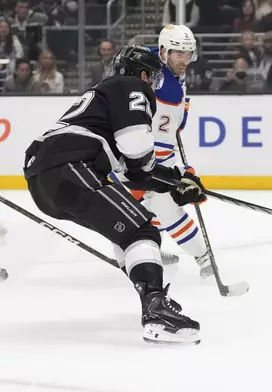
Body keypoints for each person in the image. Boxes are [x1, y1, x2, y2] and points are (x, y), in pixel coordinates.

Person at [23, 45, 206, 345]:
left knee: (129, 233)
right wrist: (176, 181)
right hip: (68, 166)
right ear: (143, 74)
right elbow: (138, 154)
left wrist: (176, 183)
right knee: (142, 229)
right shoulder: (132, 86)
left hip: (49, 177)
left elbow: (132, 171)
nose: (155, 84)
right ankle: (156, 309)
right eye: (154, 77)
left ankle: (152, 299)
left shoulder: (106, 95)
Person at [120, 24, 214, 278]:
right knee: (167, 203)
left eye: (188, 54)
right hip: (131, 155)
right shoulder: (169, 92)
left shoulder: (146, 58)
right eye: (178, 54)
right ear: (164, 52)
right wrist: (181, 174)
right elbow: (158, 151)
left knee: (148, 206)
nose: (183, 60)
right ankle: (204, 257)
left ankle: (144, 246)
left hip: (124, 146)